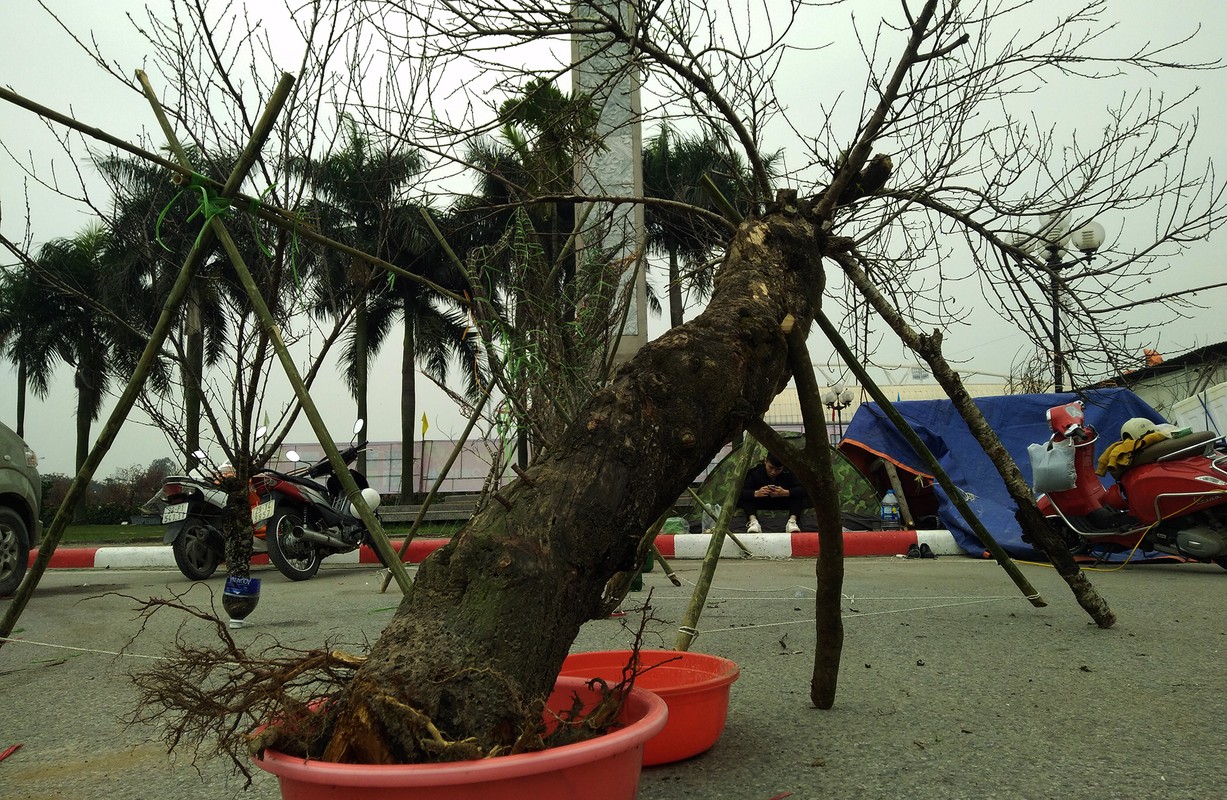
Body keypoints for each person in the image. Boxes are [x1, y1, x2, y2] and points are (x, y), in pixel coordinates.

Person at [738, 453, 810, 533]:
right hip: (761, 502)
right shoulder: (755, 473)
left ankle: (792, 521)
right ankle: (753, 521)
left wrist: (786, 492)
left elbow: (805, 490)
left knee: (797, 495)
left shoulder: (789, 472)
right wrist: (756, 493)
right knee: (747, 497)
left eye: (778, 469)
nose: (773, 472)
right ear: (765, 461)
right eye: (770, 467)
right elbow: (740, 492)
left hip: (783, 502)